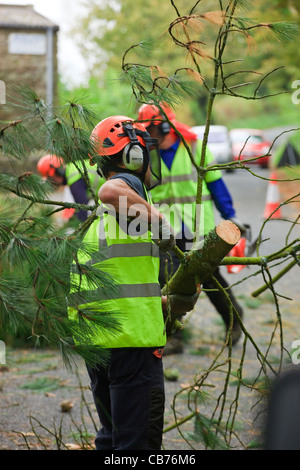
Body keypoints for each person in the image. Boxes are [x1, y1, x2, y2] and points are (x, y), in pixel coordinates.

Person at [68, 115, 199, 450]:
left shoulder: (101, 219)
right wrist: (159, 221)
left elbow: (121, 279)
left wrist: (164, 303)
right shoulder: (126, 189)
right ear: (135, 156)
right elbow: (110, 189)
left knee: (113, 438)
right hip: (130, 342)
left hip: (98, 338)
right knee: (137, 444)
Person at [137, 103, 246, 350]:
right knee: (169, 279)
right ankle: (173, 335)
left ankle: (233, 318)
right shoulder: (146, 153)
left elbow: (216, 184)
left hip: (198, 226)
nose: (147, 134)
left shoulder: (196, 147)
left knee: (209, 278)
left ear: (165, 125)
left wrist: (231, 216)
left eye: (150, 128)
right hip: (167, 229)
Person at [37, 154, 104, 221]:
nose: (51, 182)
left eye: (51, 178)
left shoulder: (74, 180)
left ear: (58, 171)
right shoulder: (72, 169)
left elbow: (83, 211)